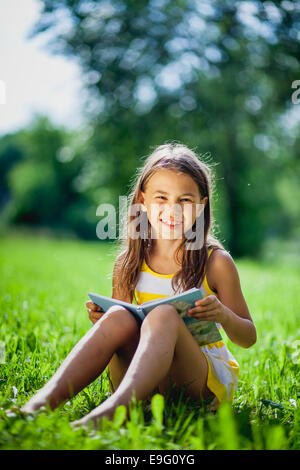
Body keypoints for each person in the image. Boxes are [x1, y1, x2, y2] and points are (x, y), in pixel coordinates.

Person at [21, 142, 256, 428]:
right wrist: (101, 320)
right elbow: (121, 336)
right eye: (161, 198)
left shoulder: (215, 262)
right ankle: (38, 404)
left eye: (184, 200)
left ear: (200, 206)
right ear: (143, 201)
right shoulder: (128, 263)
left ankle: (111, 413)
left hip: (198, 385)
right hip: (142, 384)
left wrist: (222, 315)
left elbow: (248, 337)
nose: (172, 210)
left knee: (164, 316)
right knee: (119, 316)